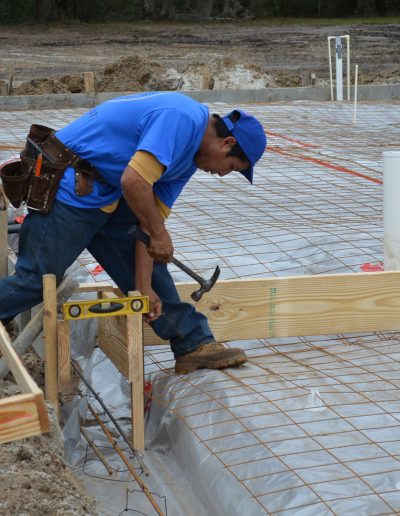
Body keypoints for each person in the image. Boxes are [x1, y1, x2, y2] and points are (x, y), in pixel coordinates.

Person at [0, 92, 266, 374]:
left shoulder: (189, 161)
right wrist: (159, 233)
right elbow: (134, 181)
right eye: (231, 167)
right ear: (228, 142)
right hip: (69, 185)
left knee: (154, 271)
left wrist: (144, 288)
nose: (223, 174)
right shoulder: (182, 118)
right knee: (37, 279)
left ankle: (193, 345)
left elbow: (146, 228)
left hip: (106, 194)